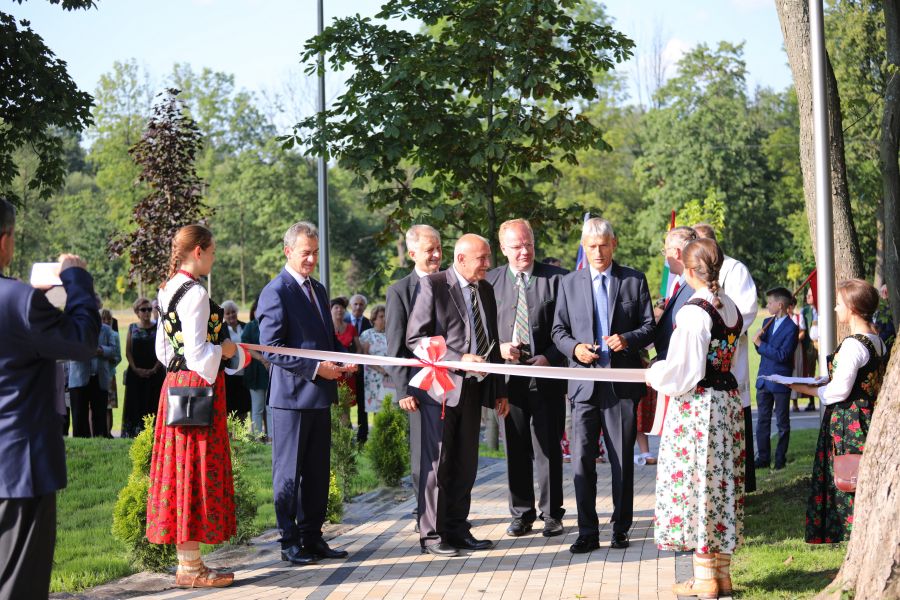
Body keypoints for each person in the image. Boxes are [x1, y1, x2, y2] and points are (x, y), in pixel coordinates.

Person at [0, 197, 101, 600]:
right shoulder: (19, 300)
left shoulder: (20, 301)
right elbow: (82, 341)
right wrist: (76, 279)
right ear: (5, 240)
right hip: (17, 468)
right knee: (18, 585)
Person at [147, 224, 248, 588]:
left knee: (181, 470)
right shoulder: (196, 293)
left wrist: (184, 368)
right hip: (197, 388)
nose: (214, 258)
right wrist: (226, 349)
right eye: (213, 252)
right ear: (199, 251)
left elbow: (163, 351)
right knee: (195, 469)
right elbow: (198, 354)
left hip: (174, 385)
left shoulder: (167, 289)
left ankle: (188, 562)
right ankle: (191, 569)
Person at [646, 237, 745, 599]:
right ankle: (722, 574)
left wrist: (656, 372)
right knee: (721, 485)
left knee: (699, 485)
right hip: (727, 403)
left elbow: (684, 372)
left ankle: (704, 578)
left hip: (700, 407)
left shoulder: (694, 310)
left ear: (689, 271)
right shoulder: (729, 306)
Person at [552, 217, 655, 553]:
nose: (598, 252)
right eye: (592, 246)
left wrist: (627, 340)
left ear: (614, 244)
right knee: (581, 461)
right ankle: (587, 531)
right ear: (584, 247)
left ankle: (621, 528)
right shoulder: (569, 283)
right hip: (583, 388)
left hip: (621, 388)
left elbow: (649, 327)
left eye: (604, 245)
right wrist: (574, 349)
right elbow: (558, 331)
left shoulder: (633, 280)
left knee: (622, 461)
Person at [258, 221, 356, 567]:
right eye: (305, 253)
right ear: (288, 252)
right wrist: (316, 369)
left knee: (317, 473)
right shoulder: (276, 291)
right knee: (289, 473)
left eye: (315, 252)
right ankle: (289, 543)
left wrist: (345, 361)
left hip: (320, 397)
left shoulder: (319, 289)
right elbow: (271, 348)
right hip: (290, 400)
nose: (312, 259)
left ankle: (313, 537)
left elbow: (324, 341)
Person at [405, 233, 509, 557]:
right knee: (438, 464)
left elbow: (492, 341)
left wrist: (499, 390)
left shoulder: (485, 289)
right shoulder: (433, 286)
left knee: (466, 464)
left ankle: (458, 529)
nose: (488, 264)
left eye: (489, 257)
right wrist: (457, 358)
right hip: (441, 391)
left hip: (474, 390)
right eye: (482, 259)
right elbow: (416, 339)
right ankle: (432, 536)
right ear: (461, 259)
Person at [486, 218, 568, 538]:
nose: (524, 251)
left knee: (548, 448)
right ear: (503, 248)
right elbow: (480, 331)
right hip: (509, 381)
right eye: (517, 246)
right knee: (515, 448)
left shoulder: (558, 279)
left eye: (528, 244)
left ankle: (552, 513)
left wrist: (550, 356)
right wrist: (499, 348)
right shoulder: (490, 281)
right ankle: (521, 514)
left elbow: (569, 328)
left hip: (546, 377)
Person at [789, 280, 886, 544]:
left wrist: (805, 389)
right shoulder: (877, 341)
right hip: (866, 415)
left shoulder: (854, 345)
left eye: (839, 303)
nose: (835, 308)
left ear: (852, 307)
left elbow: (840, 391)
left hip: (849, 419)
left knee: (848, 475)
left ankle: (852, 533)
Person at [385, 224, 443, 534]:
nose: (436, 255)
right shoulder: (399, 291)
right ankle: (425, 517)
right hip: (418, 388)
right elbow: (395, 346)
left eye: (439, 249)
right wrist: (403, 389)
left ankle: (449, 514)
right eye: (429, 250)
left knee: (451, 453)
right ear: (412, 253)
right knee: (424, 456)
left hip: (452, 385)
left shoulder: (450, 283)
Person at [693, 223, 759, 492]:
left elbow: (747, 310)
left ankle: (737, 487)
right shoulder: (693, 272)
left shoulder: (734, 269)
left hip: (727, 357)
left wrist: (719, 333)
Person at [754, 286, 799, 470]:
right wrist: (758, 343)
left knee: (782, 423)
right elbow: (761, 350)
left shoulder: (792, 328)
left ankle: (780, 458)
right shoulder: (767, 322)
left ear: (780, 305)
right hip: (764, 379)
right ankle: (763, 457)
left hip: (780, 381)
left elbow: (783, 355)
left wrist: (760, 344)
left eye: (770, 302)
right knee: (762, 421)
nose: (767, 305)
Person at [68, 307, 120, 437]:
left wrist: (101, 350)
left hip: (100, 378)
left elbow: (114, 350)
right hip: (78, 379)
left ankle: (100, 441)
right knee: (79, 416)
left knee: (100, 415)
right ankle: (80, 444)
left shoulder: (106, 330)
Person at [122, 297, 165, 438]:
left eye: (149, 309)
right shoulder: (132, 328)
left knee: (153, 404)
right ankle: (134, 434)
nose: (147, 312)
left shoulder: (158, 328)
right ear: (137, 312)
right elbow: (128, 351)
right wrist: (135, 369)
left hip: (155, 374)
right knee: (135, 404)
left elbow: (163, 351)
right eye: (143, 310)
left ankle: (154, 434)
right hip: (135, 374)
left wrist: (154, 369)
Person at [654, 226, 697, 360]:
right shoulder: (677, 283)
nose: (665, 257)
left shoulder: (693, 287)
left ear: (676, 252)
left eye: (666, 251)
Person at [241, 297, 270, 438]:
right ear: (253, 311)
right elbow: (245, 346)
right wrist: (262, 359)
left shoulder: (271, 325)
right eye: (258, 308)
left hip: (270, 371)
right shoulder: (249, 327)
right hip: (255, 372)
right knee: (257, 408)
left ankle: (272, 438)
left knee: (270, 408)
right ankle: (257, 438)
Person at [346, 293, 372, 443]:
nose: (358, 307)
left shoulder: (369, 324)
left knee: (363, 404)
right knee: (346, 402)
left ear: (365, 307)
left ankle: (362, 436)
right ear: (351, 306)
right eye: (355, 304)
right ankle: (347, 434)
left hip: (364, 371)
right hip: (346, 371)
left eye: (361, 304)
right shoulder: (342, 321)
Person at [222, 300, 250, 422]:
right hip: (229, 373)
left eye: (233, 312)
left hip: (246, 371)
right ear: (224, 315)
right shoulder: (221, 329)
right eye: (227, 313)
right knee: (230, 405)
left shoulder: (245, 326)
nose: (231, 315)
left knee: (244, 405)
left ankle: (242, 428)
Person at [359, 304, 389, 413]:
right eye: (381, 316)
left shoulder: (390, 334)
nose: (384, 319)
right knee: (376, 407)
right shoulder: (367, 334)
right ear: (374, 319)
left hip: (390, 375)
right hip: (373, 375)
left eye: (385, 316)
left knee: (389, 405)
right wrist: (380, 370)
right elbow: (365, 355)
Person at [331, 297, 360, 402]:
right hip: (331, 371)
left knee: (346, 403)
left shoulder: (351, 328)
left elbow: (359, 349)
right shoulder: (326, 328)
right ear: (330, 310)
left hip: (348, 372)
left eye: (342, 307)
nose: (339, 310)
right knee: (332, 405)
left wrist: (351, 364)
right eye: (336, 307)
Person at [788, 296, 809, 412]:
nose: (788, 308)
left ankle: (795, 403)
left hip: (796, 347)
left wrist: (793, 341)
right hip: (784, 348)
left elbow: (802, 333)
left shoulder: (798, 317)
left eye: (790, 305)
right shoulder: (779, 318)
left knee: (795, 372)